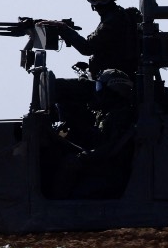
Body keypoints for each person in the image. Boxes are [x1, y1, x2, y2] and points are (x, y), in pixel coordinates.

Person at [51, 69, 137, 198]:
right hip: (105, 166)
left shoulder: (122, 115)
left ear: (114, 91)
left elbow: (111, 148)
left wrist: (83, 156)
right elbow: (99, 139)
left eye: (99, 86)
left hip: (111, 171)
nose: (97, 92)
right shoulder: (108, 114)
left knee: (70, 164)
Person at [51, 0, 141, 77]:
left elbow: (87, 48)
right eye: (94, 0)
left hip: (114, 81)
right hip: (114, 76)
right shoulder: (119, 16)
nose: (98, 4)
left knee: (56, 86)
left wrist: (63, 29)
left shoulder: (113, 20)